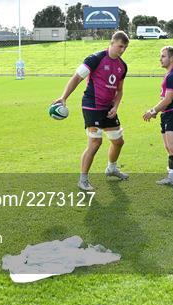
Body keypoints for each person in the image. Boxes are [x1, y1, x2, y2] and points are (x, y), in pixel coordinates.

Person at [53, 31, 130, 191]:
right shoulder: (95, 58)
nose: (122, 50)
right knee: (95, 142)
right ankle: (83, 180)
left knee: (118, 141)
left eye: (125, 47)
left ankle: (111, 168)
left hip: (108, 107)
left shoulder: (122, 66)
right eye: (120, 46)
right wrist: (63, 97)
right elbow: (76, 77)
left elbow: (120, 90)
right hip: (92, 105)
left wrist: (116, 107)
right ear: (112, 43)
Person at [143, 46, 173, 191]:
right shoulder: (169, 75)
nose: (160, 59)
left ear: (172, 58)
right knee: (169, 148)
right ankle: (172, 176)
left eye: (163, 56)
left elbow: (168, 99)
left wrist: (152, 111)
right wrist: (158, 111)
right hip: (167, 114)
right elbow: (164, 98)